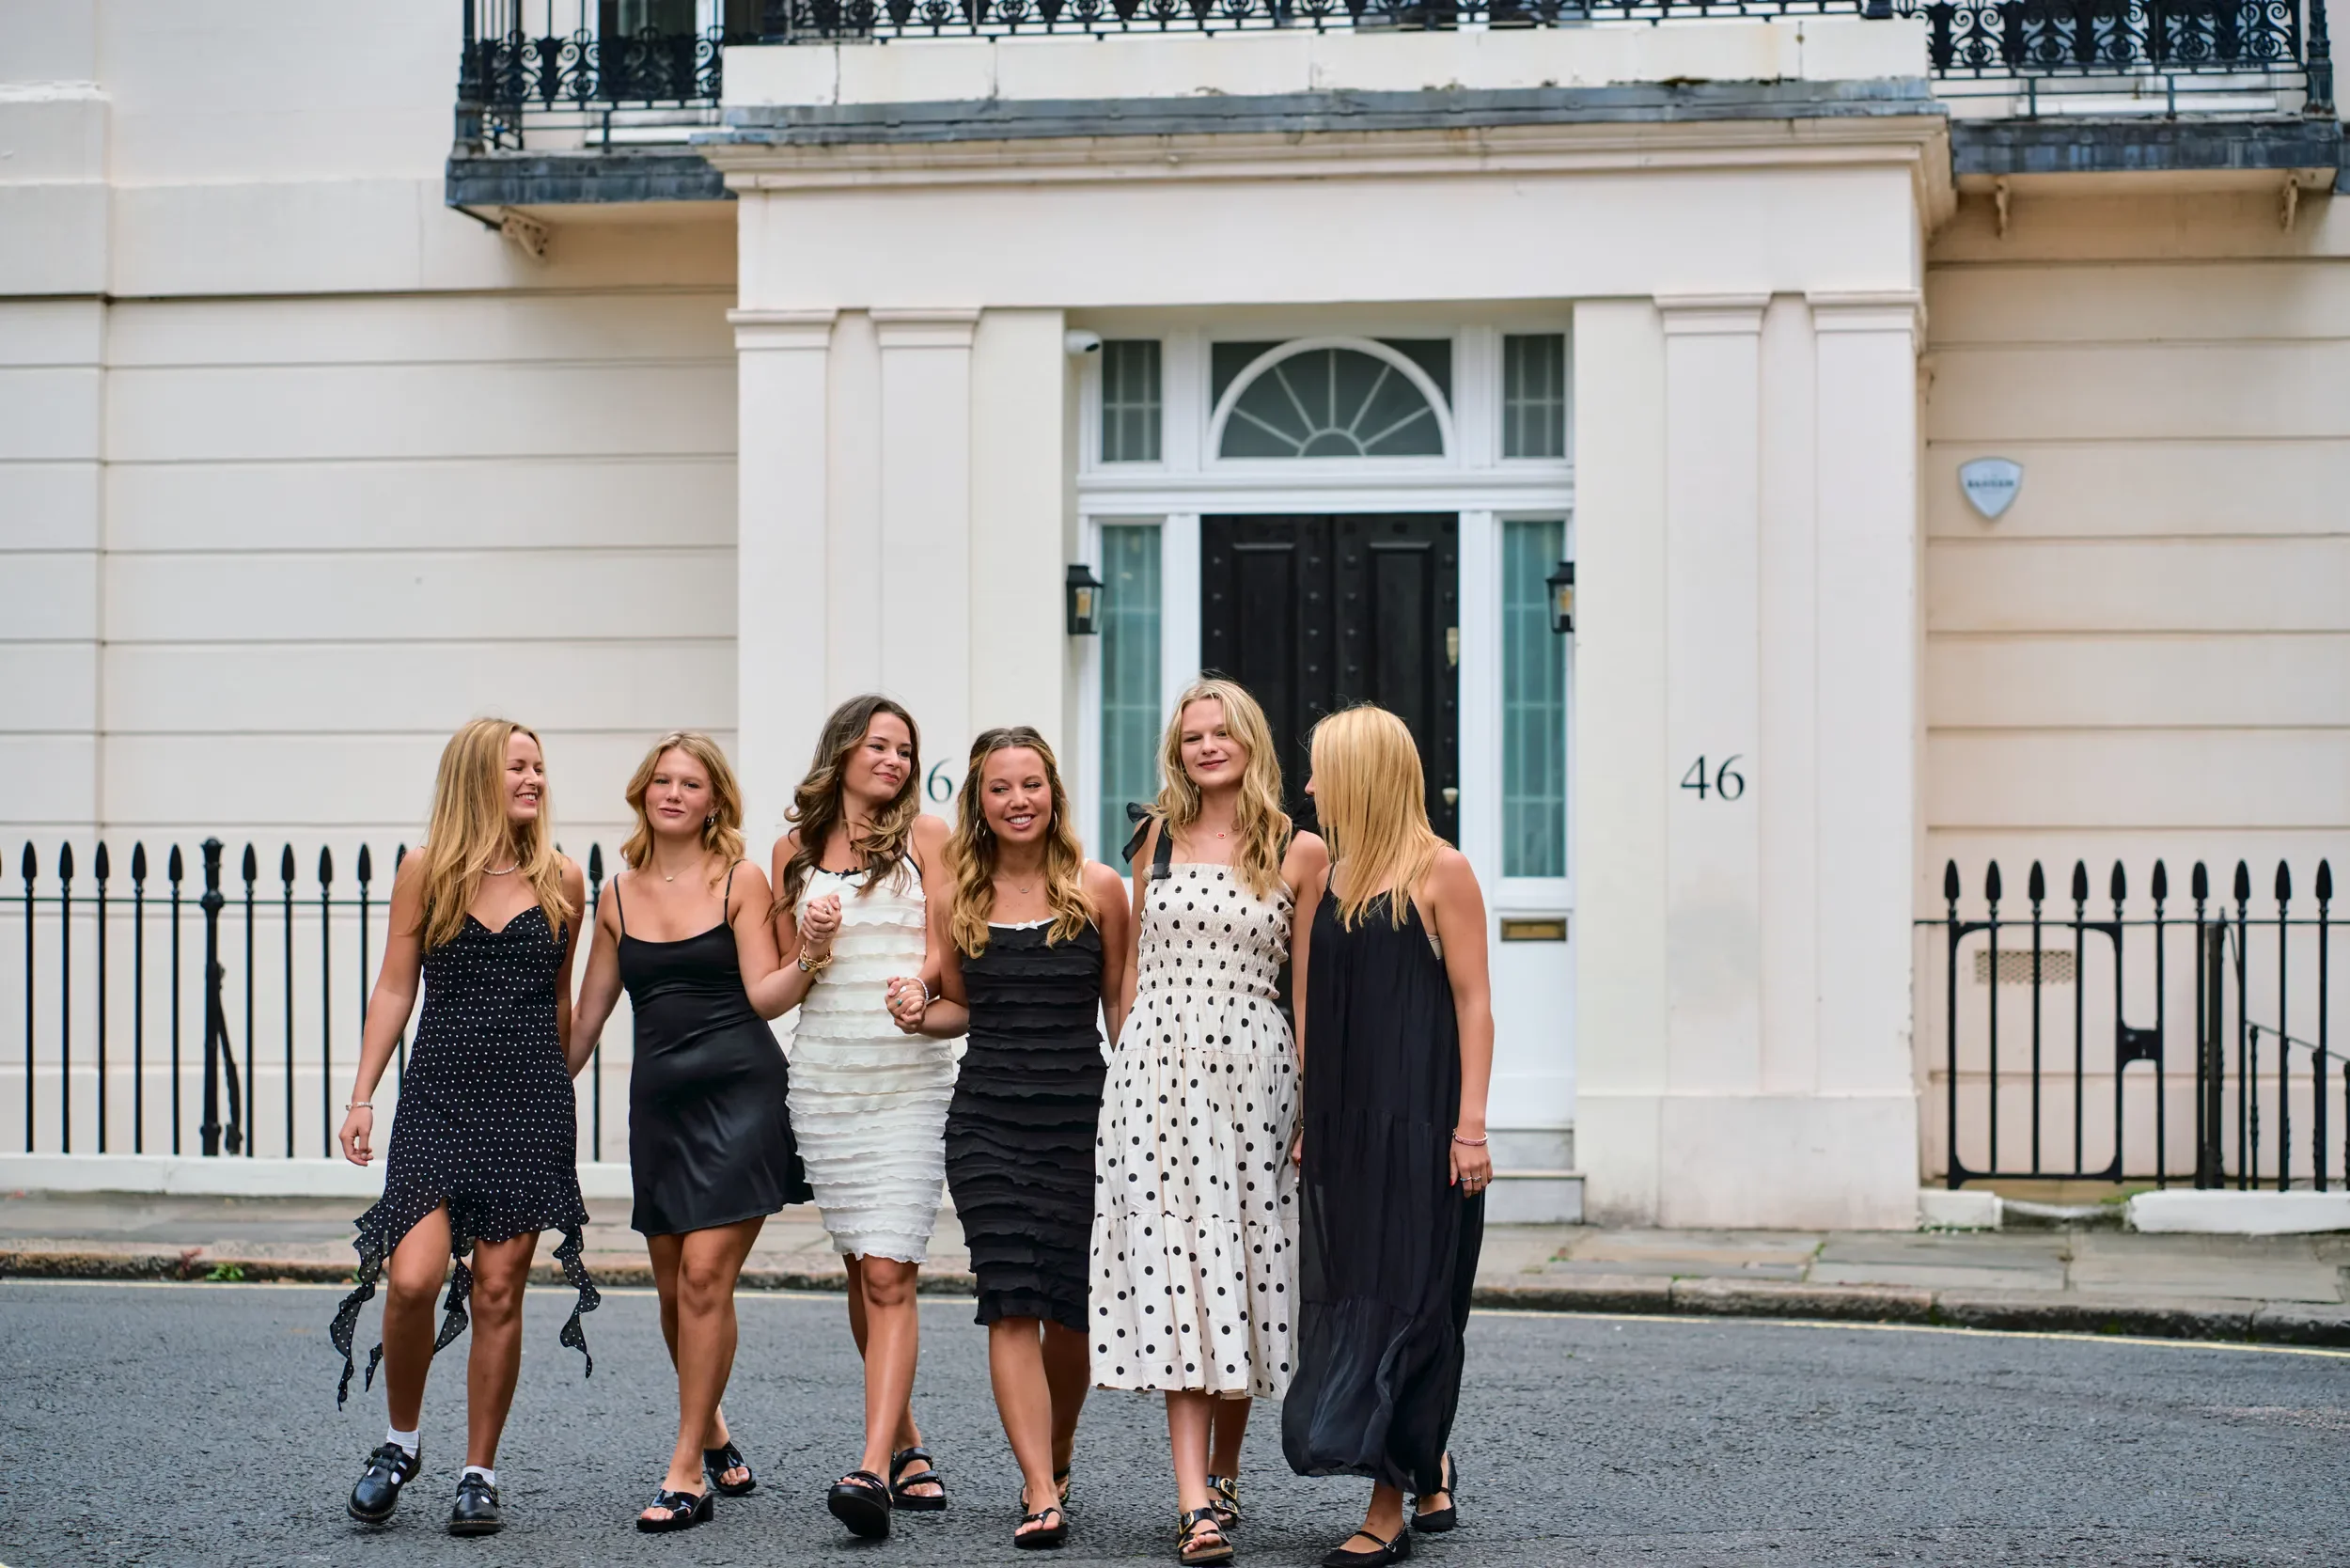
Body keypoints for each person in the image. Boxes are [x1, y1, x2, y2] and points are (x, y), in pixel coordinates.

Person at [329, 717, 596, 1539]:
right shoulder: (428, 871)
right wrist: (363, 1092)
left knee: (498, 1289)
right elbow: (392, 990)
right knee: (410, 1279)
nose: (534, 780)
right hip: (438, 1100)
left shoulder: (562, 880)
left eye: (540, 767)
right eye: (518, 767)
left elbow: (559, 1005)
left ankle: (479, 1473)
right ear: (478, 776)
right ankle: (399, 1444)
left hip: (526, 1104)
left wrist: (555, 1098)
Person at [1095, 677, 1327, 1567]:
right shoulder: (1154, 835)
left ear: (1249, 741)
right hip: (1156, 1076)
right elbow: (1130, 974)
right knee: (1176, 1270)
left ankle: (1224, 1475)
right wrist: (1125, 1070)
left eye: (1221, 731)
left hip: (1253, 1081)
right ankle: (1193, 1502)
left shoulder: (1296, 850)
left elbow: (1302, 990)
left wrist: (1311, 1099)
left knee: (1240, 1272)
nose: (1206, 746)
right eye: (1191, 735)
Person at [887, 727, 1132, 1551]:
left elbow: (1120, 1010)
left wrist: (1143, 1113)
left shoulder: (1099, 889)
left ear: (1053, 795)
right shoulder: (959, 897)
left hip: (1082, 1119)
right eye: (1000, 787)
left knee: (1074, 1314)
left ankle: (1057, 1449)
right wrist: (922, 1018)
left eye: (1031, 784)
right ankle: (1037, 1487)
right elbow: (960, 1006)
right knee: (1012, 1303)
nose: (1018, 800)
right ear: (979, 803)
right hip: (987, 1121)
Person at [570, 731, 814, 1533]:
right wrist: (519, 1086)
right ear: (644, 793)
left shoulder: (738, 878)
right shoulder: (614, 896)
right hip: (661, 1113)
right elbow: (585, 1023)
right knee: (677, 1288)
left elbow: (767, 995)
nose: (674, 793)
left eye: (692, 783)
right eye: (663, 781)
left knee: (706, 1275)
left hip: (743, 1097)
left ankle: (685, 1472)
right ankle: (711, 1428)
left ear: (715, 801)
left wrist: (811, 952)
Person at [1282, 705, 1493, 1568]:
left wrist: (1470, 1127)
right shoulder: (1325, 876)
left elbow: (1474, 1003)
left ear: (1362, 776)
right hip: (1343, 1125)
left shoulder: (1444, 873)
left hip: (1423, 1127)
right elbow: (1305, 1003)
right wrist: (1305, 1113)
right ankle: (1425, 1462)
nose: (1307, 787)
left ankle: (1386, 1507)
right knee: (1357, 1298)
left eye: (1320, 771)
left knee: (1414, 1307)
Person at [769, 694, 957, 1539]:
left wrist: (923, 987)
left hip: (909, 1079)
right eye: (877, 745)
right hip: (827, 1081)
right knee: (860, 1267)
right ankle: (908, 1441)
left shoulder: (932, 841)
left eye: (905, 750)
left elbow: (948, 957)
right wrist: (809, 948)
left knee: (891, 1270)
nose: (893, 760)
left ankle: (872, 1470)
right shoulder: (792, 854)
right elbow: (772, 991)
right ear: (842, 752)